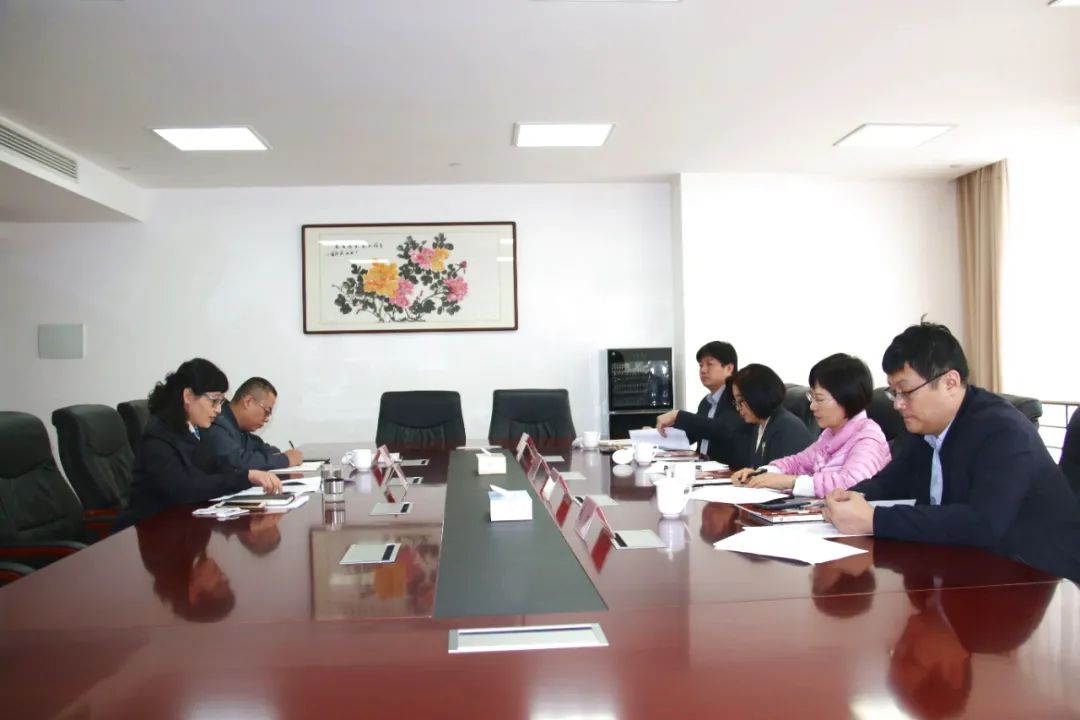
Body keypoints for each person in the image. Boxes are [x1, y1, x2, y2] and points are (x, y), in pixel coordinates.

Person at [823, 322, 1080, 582]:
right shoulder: (925, 428)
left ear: (950, 382)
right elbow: (890, 482)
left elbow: (981, 523)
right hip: (965, 567)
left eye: (906, 391)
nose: (898, 404)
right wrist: (850, 496)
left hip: (1037, 577)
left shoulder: (1003, 431)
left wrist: (874, 520)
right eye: (894, 393)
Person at [116, 359, 281, 530]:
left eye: (221, 402)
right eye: (214, 401)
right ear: (188, 396)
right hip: (151, 531)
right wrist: (245, 477)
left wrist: (249, 475)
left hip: (184, 526)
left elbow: (215, 468)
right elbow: (186, 488)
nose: (218, 410)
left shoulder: (190, 431)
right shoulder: (158, 437)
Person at [731, 353, 891, 496]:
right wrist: (762, 473)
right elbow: (798, 462)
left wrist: (791, 482)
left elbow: (853, 485)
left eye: (819, 399)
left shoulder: (868, 439)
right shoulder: (830, 434)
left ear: (848, 398)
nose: (812, 406)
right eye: (811, 397)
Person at [655, 341, 746, 461]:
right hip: (703, 467)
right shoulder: (706, 402)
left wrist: (678, 415)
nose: (703, 370)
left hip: (729, 469)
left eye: (709, 364)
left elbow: (724, 430)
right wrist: (655, 435)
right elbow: (692, 435)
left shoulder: (737, 397)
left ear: (729, 368)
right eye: (701, 365)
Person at [196, 376, 302, 472]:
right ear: (248, 402)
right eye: (267, 411)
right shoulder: (216, 421)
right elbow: (237, 462)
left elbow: (262, 449)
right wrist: (285, 460)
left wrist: (277, 456)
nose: (267, 419)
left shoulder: (240, 429)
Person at [722, 363, 814, 469]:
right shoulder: (760, 424)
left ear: (758, 395)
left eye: (741, 400)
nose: (738, 408)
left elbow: (780, 475)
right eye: (736, 402)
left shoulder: (786, 428)